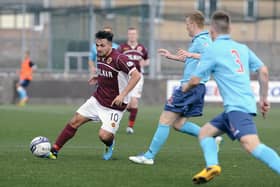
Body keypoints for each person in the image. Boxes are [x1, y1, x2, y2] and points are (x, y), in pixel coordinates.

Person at [181, 10, 280, 184]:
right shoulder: (242, 48)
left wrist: (185, 86)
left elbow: (195, 80)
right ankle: (212, 166)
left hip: (238, 108)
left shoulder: (213, 49)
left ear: (212, 30)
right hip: (235, 108)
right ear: (230, 28)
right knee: (205, 133)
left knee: (252, 145)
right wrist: (264, 99)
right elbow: (263, 71)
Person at [129, 10, 221, 165]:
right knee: (178, 124)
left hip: (190, 87)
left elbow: (213, 57)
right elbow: (195, 61)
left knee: (165, 119)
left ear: (192, 24)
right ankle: (211, 137)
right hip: (197, 87)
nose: (186, 28)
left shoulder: (202, 39)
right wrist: (172, 56)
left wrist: (191, 55)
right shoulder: (200, 40)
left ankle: (149, 156)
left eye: (187, 25)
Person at [47, 31, 141, 160]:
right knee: (75, 121)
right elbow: (109, 73)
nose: (99, 48)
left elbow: (137, 76)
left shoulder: (119, 58)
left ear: (110, 45)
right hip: (98, 99)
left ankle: (110, 143)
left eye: (102, 45)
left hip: (115, 106)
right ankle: (54, 150)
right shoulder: (99, 55)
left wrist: (122, 95)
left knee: (104, 136)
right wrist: (99, 77)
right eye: (97, 45)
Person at [118, 27, 149, 134]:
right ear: (128, 35)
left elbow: (147, 59)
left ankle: (130, 127)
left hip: (138, 77)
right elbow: (116, 59)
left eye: (134, 34)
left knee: (134, 102)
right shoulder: (122, 48)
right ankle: (116, 115)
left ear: (137, 35)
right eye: (130, 34)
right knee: (127, 104)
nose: (132, 36)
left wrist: (144, 63)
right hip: (125, 78)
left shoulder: (141, 48)